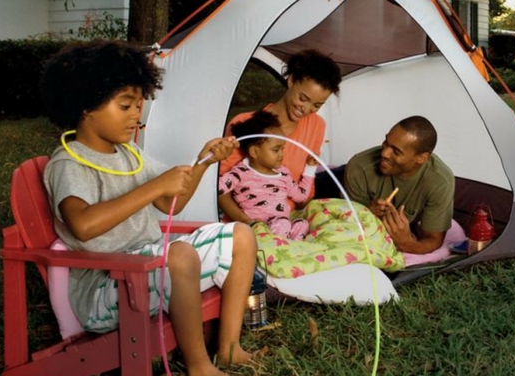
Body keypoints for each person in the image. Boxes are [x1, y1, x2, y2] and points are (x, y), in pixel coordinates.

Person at [40, 40, 255, 376]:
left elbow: (172, 203)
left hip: (147, 262)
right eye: (125, 106)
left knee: (241, 235)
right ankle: (199, 367)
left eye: (138, 105)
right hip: (106, 286)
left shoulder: (128, 155)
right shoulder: (70, 163)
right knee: (180, 255)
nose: (136, 115)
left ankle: (228, 348)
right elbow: (82, 225)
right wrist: (153, 185)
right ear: (86, 106)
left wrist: (203, 163)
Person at [218, 49, 342, 222]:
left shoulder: (316, 125)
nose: (306, 109)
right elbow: (220, 190)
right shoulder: (245, 124)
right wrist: (251, 224)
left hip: (286, 221)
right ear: (291, 81)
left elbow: (306, 185)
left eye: (317, 105)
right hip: (245, 225)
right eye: (303, 98)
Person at [344, 116, 455, 255]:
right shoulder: (359, 167)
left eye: (396, 152)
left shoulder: (440, 181)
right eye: (386, 142)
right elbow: (346, 227)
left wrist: (406, 244)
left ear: (421, 158)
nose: (384, 153)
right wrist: (367, 214)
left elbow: (434, 239)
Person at [218, 110, 316, 240]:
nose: (282, 154)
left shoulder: (283, 173)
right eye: (276, 150)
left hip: (282, 225)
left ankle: (291, 250)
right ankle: (277, 249)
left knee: (301, 224)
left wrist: (310, 168)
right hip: (258, 229)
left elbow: (301, 197)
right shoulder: (241, 173)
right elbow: (217, 189)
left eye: (282, 149)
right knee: (283, 223)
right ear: (254, 152)